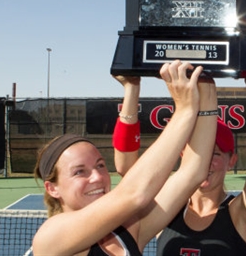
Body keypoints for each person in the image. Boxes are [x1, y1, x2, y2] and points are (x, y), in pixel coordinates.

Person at [32, 61, 216, 255]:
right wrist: (184, 110)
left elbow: (193, 172)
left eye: (100, 165)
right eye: (79, 172)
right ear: (52, 188)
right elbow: (134, 194)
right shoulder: (50, 238)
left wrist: (207, 89)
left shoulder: (125, 231)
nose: (97, 177)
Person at [115, 74, 246, 255]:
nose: (205, 162)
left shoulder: (242, 212)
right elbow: (126, 169)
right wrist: (131, 88)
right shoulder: (166, 209)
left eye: (215, 153)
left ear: (232, 161)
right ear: (184, 155)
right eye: (199, 154)